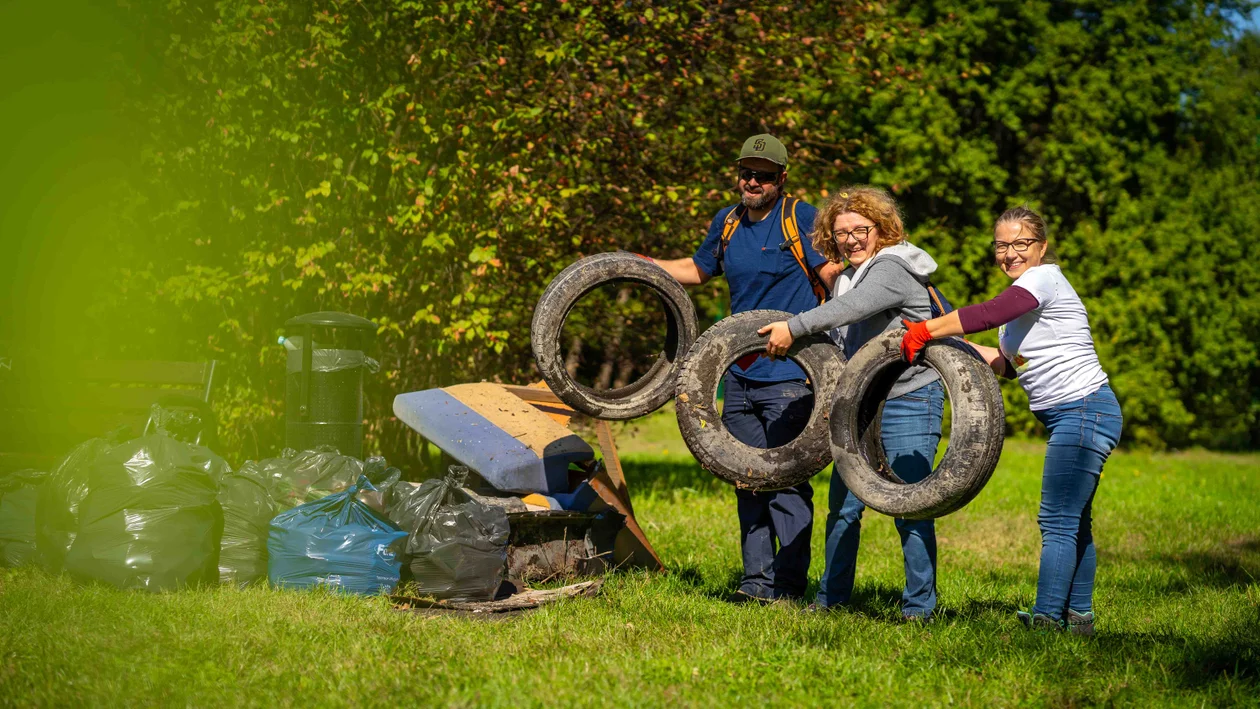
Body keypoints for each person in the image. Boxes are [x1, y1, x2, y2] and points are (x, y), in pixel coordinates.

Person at [900, 205, 1122, 635]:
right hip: (1080, 413)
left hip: (1083, 409)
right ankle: (1078, 619)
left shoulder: (1042, 278)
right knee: (1074, 519)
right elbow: (1008, 365)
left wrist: (928, 329)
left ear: (1041, 247)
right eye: (1002, 245)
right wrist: (950, 348)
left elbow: (989, 313)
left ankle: (1046, 619)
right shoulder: (1029, 299)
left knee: (1057, 519)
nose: (1010, 253)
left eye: (1021, 244)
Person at [649, 134, 843, 602]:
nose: (752, 181)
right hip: (737, 376)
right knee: (746, 480)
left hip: (792, 376)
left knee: (786, 485)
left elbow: (834, 276)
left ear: (782, 178)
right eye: (746, 173)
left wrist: (878, 275)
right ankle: (756, 584)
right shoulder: (729, 221)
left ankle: (791, 586)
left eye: (764, 175)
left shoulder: (800, 217)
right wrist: (638, 263)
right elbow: (698, 270)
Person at [758, 186, 945, 621]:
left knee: (910, 505)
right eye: (841, 233)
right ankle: (830, 600)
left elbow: (855, 310)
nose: (851, 239)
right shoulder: (846, 277)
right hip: (862, 404)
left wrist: (794, 325)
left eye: (861, 229)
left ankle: (919, 609)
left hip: (908, 398)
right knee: (843, 508)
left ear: (881, 230)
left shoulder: (894, 266)